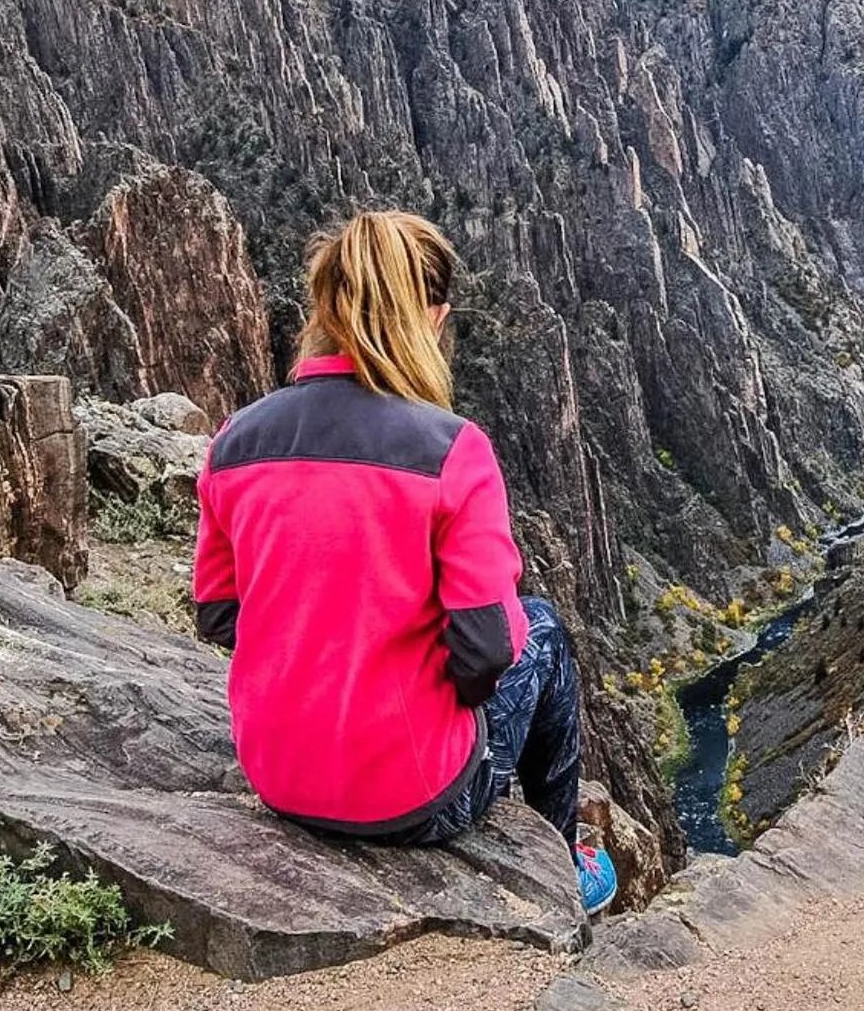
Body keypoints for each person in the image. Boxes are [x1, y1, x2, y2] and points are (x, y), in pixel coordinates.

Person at [190, 210, 617, 916]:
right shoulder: (453, 450)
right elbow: (487, 648)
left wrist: (320, 650)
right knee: (545, 631)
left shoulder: (235, 441)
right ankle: (565, 864)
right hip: (415, 795)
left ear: (323, 308)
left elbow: (218, 613)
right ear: (429, 317)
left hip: (277, 776)